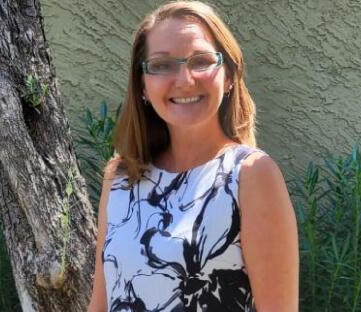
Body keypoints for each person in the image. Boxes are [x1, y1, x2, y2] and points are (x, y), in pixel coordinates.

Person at [88, 1, 298, 311]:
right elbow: (100, 304)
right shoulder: (120, 177)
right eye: (162, 65)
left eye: (201, 61)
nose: (185, 80)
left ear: (228, 76)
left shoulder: (251, 175)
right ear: (142, 85)